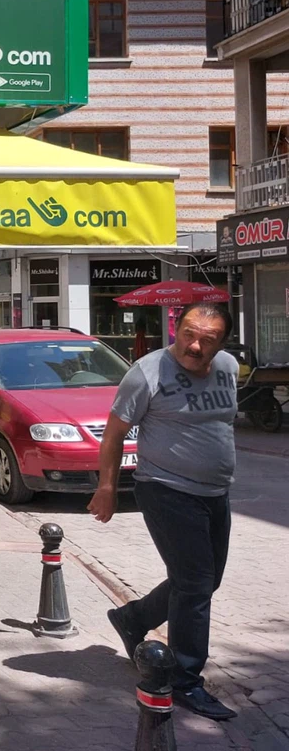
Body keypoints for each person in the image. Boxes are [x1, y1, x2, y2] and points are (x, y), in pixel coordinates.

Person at [88, 302, 239, 721]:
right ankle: (185, 679)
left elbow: (219, 425)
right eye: (188, 334)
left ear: (222, 343)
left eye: (207, 339)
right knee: (195, 584)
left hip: (215, 492)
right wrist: (107, 488)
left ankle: (132, 618)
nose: (195, 345)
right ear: (177, 330)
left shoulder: (227, 368)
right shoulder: (147, 372)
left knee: (205, 580)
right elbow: (114, 433)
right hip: (165, 489)